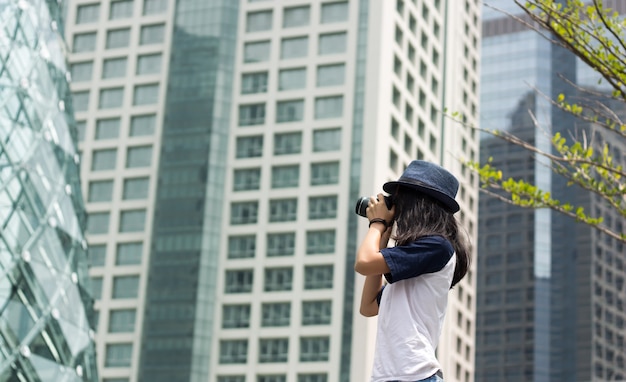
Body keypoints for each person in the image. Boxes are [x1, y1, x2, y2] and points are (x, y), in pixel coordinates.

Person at [354, 160, 471, 382]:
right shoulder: (412, 259)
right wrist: (382, 240)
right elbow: (368, 306)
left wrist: (377, 224)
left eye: (399, 201)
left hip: (416, 376)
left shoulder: (437, 246)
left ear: (417, 204)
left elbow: (363, 262)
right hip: (388, 377)